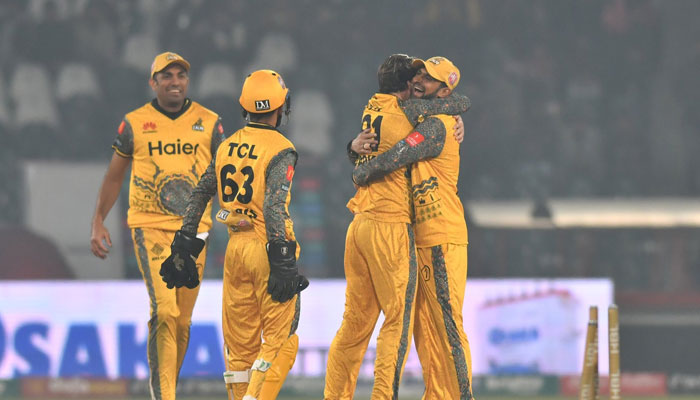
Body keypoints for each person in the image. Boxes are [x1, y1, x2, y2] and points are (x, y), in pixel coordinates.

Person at [324, 54, 470, 400]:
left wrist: (356, 159)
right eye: (418, 74)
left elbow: (391, 154)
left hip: (436, 233)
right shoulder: (413, 115)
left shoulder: (406, 115)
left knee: (439, 326)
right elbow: (397, 146)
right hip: (397, 229)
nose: (420, 80)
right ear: (404, 84)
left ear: (443, 90)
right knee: (409, 325)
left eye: (428, 77)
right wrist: (457, 106)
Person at [159, 69, 308, 400]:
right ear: (281, 106)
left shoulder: (227, 146)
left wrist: (183, 246)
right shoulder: (282, 148)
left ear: (244, 107)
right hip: (267, 248)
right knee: (281, 340)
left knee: (240, 351)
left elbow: (200, 193)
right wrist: (283, 259)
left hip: (235, 251)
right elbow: (273, 207)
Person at [89, 52, 224, 400]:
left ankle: (167, 389)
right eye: (166, 76)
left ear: (187, 81)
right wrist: (98, 220)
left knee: (182, 322)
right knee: (164, 311)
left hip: (195, 231)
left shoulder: (210, 122)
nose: (175, 82)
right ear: (153, 82)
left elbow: (227, 175)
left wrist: (236, 215)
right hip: (150, 227)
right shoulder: (135, 123)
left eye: (180, 75)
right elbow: (115, 175)